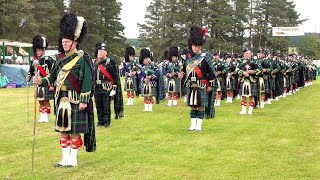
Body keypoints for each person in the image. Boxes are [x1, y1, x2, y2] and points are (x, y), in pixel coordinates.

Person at [33, 12, 96, 167]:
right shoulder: (59, 59)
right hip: (60, 98)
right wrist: (41, 80)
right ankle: (64, 158)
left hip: (75, 97)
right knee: (63, 129)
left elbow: (88, 81)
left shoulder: (83, 58)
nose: (64, 44)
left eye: (67, 41)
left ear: (75, 42)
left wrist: (84, 100)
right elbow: (52, 77)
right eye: (63, 41)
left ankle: (73, 159)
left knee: (74, 130)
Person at [179, 25, 215, 131]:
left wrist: (211, 86)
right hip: (191, 85)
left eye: (196, 46)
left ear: (200, 45)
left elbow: (212, 73)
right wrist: (181, 74)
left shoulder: (205, 57)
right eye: (193, 46)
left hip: (202, 85)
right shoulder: (188, 58)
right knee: (192, 105)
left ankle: (199, 126)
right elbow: (184, 70)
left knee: (200, 106)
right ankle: (192, 125)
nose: (194, 48)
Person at [93, 42, 124, 128]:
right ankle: (100, 121)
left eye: (102, 51)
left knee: (106, 105)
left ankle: (107, 122)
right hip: (97, 87)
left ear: (106, 53)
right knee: (98, 105)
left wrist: (114, 88)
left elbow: (115, 76)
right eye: (99, 51)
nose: (100, 53)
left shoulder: (110, 62)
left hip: (106, 87)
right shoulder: (95, 63)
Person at [26, 35, 55, 123]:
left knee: (45, 100)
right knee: (40, 101)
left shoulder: (48, 60)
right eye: (37, 50)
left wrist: (51, 84)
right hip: (37, 83)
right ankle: (42, 116)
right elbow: (31, 71)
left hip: (46, 82)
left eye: (39, 50)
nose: (38, 52)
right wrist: (29, 76)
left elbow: (52, 72)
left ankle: (46, 116)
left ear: (43, 50)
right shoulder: (34, 60)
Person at [235, 48, 262, 115]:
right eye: (245, 53)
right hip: (243, 80)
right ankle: (243, 110)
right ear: (243, 54)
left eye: (248, 53)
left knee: (251, 96)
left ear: (251, 54)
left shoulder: (255, 61)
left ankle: (250, 110)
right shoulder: (241, 62)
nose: (246, 55)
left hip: (252, 80)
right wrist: (242, 72)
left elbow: (260, 69)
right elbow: (236, 70)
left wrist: (253, 71)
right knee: (243, 96)